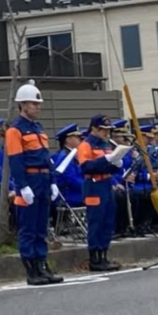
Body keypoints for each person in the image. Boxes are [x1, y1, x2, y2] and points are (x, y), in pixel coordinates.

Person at [6, 80, 63, 286]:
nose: (38, 107)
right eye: (33, 103)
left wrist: (53, 181)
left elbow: (46, 158)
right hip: (29, 180)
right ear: (22, 104)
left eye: (38, 104)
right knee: (28, 229)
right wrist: (22, 186)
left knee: (41, 227)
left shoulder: (38, 128)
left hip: (43, 179)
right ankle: (31, 270)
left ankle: (42, 266)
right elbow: (15, 160)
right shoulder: (15, 130)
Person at [78, 114, 124, 271]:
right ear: (94, 128)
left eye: (108, 130)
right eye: (103, 129)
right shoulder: (86, 145)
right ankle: (95, 258)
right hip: (93, 185)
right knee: (96, 222)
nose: (107, 132)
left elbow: (109, 167)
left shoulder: (106, 145)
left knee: (107, 221)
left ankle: (104, 255)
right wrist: (106, 160)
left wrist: (116, 163)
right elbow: (86, 167)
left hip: (106, 183)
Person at [52, 123, 84, 210]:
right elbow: (70, 178)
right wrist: (87, 186)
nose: (80, 139)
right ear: (68, 140)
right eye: (77, 137)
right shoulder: (65, 157)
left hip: (77, 193)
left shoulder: (73, 154)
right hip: (71, 195)